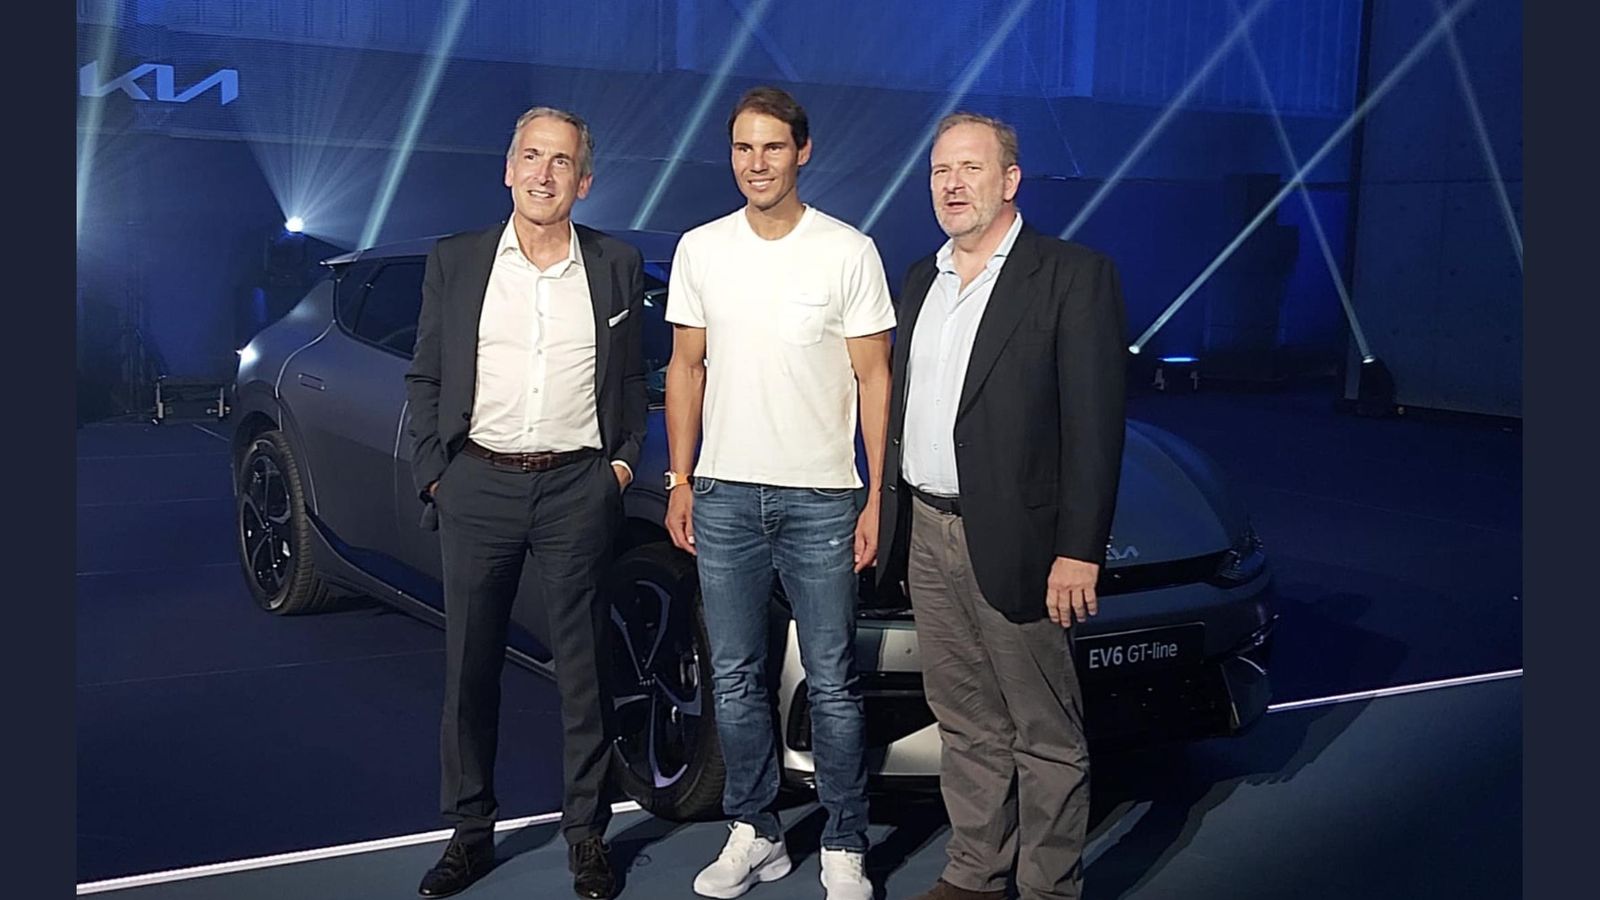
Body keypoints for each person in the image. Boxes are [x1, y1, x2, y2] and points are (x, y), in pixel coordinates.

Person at [875, 112, 1128, 900]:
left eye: (970, 169)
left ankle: (1049, 887)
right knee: (966, 722)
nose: (951, 184)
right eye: (940, 171)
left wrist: (1079, 547)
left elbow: (1095, 425)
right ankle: (976, 874)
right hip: (927, 529)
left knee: (1046, 734)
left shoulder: (1071, 275)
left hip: (1020, 541)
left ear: (1010, 181)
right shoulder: (922, 275)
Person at [404, 106, 646, 900]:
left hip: (578, 489)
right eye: (531, 158)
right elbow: (428, 374)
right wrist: (437, 473)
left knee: (584, 672)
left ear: (585, 180)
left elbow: (630, 385)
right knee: (470, 668)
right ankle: (469, 835)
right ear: (508, 168)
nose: (545, 175)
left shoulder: (615, 264)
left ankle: (587, 836)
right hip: (479, 485)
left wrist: (618, 468)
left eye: (562, 162)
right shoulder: (459, 260)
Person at [662, 86, 895, 900]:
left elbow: (874, 377)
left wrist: (874, 496)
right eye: (741, 148)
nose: (754, 163)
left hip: (823, 498)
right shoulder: (701, 249)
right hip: (723, 494)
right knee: (733, 674)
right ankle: (755, 832)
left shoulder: (847, 251)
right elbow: (685, 368)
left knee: (831, 680)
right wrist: (682, 479)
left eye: (770, 147)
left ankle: (843, 842)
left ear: (803, 152)